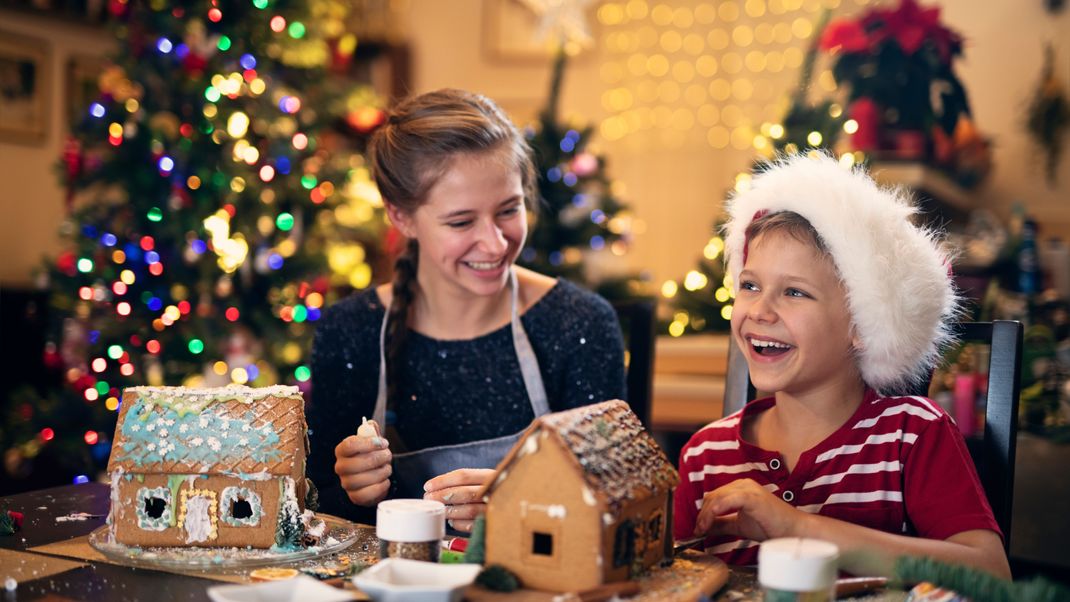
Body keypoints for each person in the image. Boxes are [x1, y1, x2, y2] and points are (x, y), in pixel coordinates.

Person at [674, 154, 1010, 578]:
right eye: (750, 285)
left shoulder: (912, 436)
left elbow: (990, 575)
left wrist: (798, 527)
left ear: (862, 323)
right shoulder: (705, 457)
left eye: (795, 292)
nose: (760, 310)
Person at [309, 89, 626, 530]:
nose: (495, 244)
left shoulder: (578, 323)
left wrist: (523, 504)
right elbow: (313, 511)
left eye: (509, 210)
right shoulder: (350, 332)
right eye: (461, 222)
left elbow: (621, 501)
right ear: (401, 217)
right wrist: (350, 491)